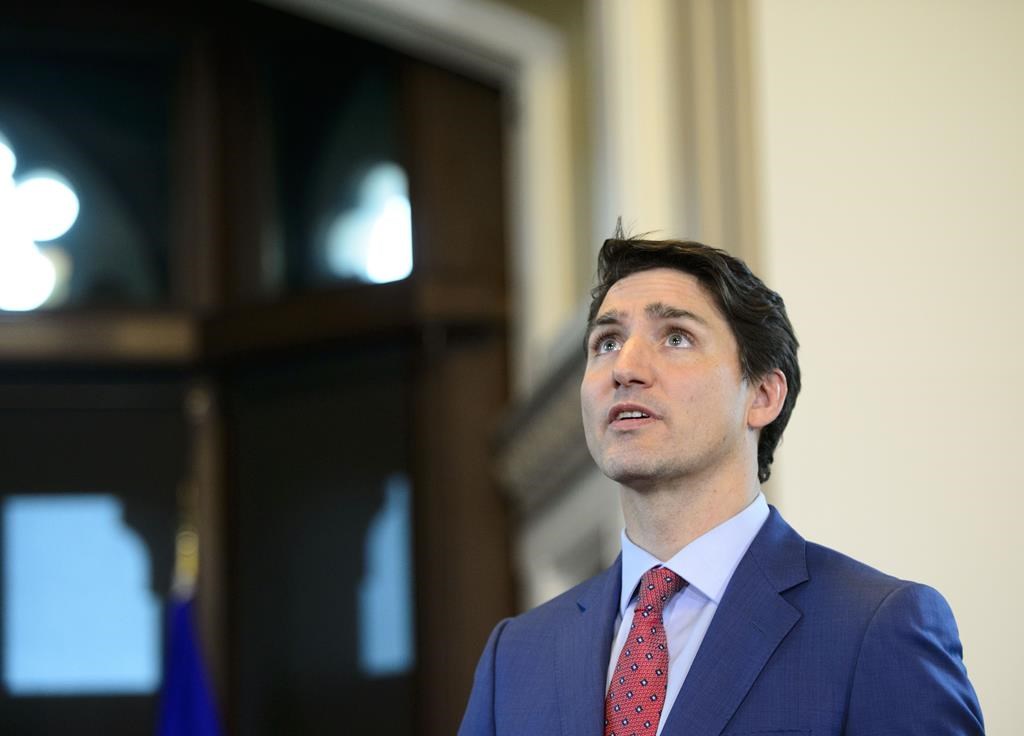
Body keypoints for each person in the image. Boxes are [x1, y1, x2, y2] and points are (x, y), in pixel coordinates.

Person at [459, 233, 984, 735]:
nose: (625, 367)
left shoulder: (876, 627)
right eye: (607, 341)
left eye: (676, 337)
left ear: (762, 395)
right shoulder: (516, 657)